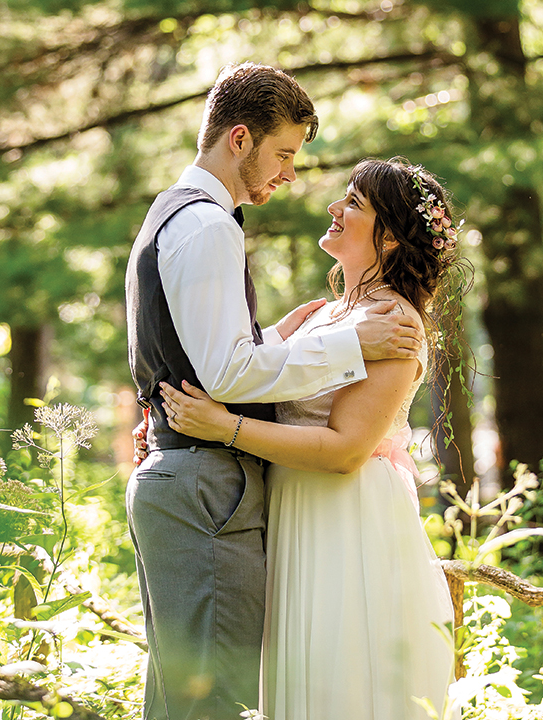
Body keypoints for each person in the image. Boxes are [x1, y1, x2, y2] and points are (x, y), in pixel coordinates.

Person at [124, 63, 423, 720]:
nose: (292, 174)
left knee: (191, 693)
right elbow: (227, 371)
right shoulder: (207, 225)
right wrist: (349, 346)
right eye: (284, 153)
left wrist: (209, 407)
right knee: (207, 697)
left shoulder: (174, 212)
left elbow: (214, 359)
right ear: (239, 139)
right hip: (208, 489)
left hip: (251, 496)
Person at [156, 157, 459, 719]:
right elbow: (251, 376)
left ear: (389, 238)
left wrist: (227, 429)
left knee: (337, 681)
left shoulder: (394, 321)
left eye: (353, 203)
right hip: (297, 508)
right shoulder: (324, 314)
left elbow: (346, 450)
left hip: (347, 519)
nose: (333, 208)